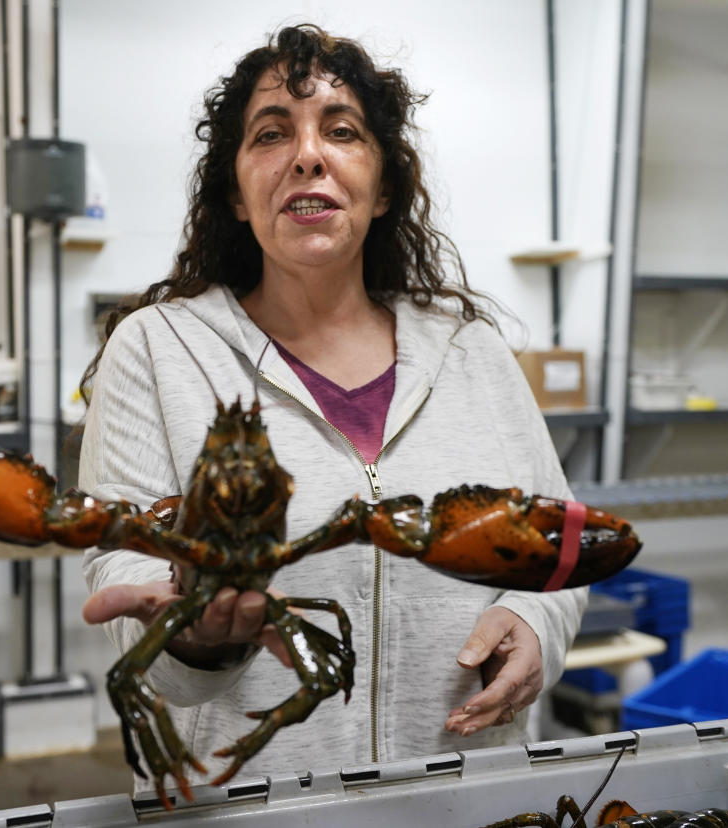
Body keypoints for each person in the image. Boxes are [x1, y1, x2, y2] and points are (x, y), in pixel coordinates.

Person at [78, 23, 585, 792]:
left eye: (341, 131)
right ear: (237, 196)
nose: (307, 154)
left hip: (469, 791)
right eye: (272, 134)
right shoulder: (157, 350)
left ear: (383, 190)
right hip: (250, 804)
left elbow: (561, 540)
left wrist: (541, 624)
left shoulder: (470, 352)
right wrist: (195, 639)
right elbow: (128, 575)